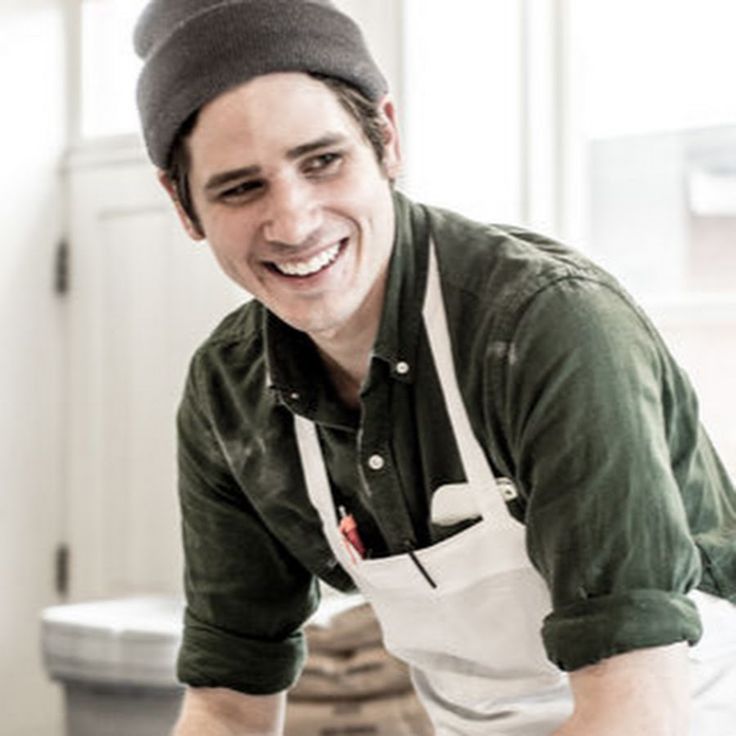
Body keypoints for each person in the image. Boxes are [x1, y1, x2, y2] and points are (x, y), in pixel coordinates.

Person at [133, 1, 736, 734]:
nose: (293, 224)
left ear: (386, 138)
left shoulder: (546, 328)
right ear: (183, 204)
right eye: (240, 188)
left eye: (323, 162)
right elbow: (228, 701)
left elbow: (637, 701)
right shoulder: (231, 394)